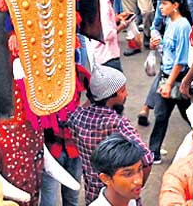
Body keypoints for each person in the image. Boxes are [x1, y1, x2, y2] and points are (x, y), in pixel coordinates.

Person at [65, 66, 152, 203]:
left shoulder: (77, 117)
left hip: (92, 193)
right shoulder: (119, 124)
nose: (126, 94)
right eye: (122, 91)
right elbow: (147, 158)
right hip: (121, 195)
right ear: (110, 96)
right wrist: (137, 184)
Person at [146, 0, 193, 157]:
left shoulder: (182, 26)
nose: (160, 7)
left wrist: (169, 83)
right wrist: (155, 45)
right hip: (167, 76)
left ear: (176, 5)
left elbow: (180, 60)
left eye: (164, 4)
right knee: (161, 115)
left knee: (189, 115)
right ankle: (154, 152)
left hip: (175, 78)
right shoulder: (170, 22)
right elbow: (169, 51)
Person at [89, 135, 146, 206]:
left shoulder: (129, 198)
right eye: (128, 174)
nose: (139, 181)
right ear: (105, 178)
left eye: (140, 169)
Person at [93, 0, 126, 70]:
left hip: (98, 55)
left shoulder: (94, 0)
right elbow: (108, 34)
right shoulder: (105, 5)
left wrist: (116, 18)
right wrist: (122, 26)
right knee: (119, 84)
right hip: (108, 56)